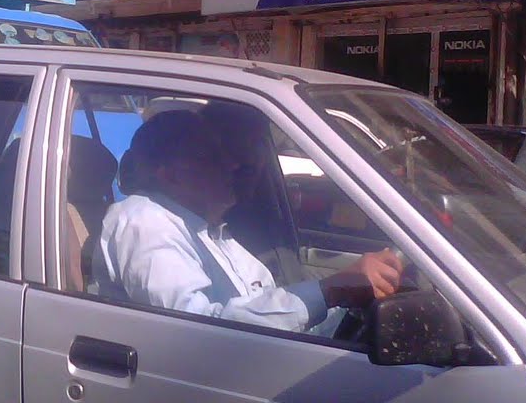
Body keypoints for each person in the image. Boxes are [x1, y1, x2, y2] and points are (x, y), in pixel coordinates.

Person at [94, 109, 403, 334]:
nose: (232, 165)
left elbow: (273, 318)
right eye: (211, 156)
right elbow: (195, 332)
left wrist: (351, 304)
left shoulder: (213, 233)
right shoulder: (145, 220)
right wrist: (328, 291)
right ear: (170, 174)